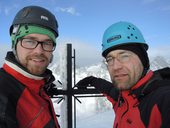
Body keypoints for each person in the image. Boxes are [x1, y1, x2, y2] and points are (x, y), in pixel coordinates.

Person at [76, 21, 170, 128]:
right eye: (110, 59)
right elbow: (108, 89)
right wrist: (92, 80)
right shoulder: (123, 98)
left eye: (124, 56)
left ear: (143, 59)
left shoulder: (162, 99)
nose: (116, 67)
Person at [0, 5, 60, 128]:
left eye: (47, 43)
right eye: (30, 41)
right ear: (14, 43)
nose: (39, 51)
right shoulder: (3, 93)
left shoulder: (37, 85)